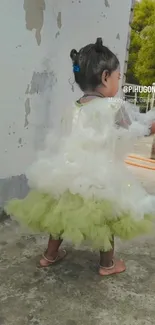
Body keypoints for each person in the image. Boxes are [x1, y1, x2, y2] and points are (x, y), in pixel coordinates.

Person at [6, 37, 155, 276]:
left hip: (67, 173)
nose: (119, 81)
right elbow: (134, 131)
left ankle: (49, 256)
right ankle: (107, 264)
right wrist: (151, 126)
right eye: (118, 77)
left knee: (60, 213)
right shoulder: (113, 107)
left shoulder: (71, 108)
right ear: (106, 77)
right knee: (106, 217)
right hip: (100, 177)